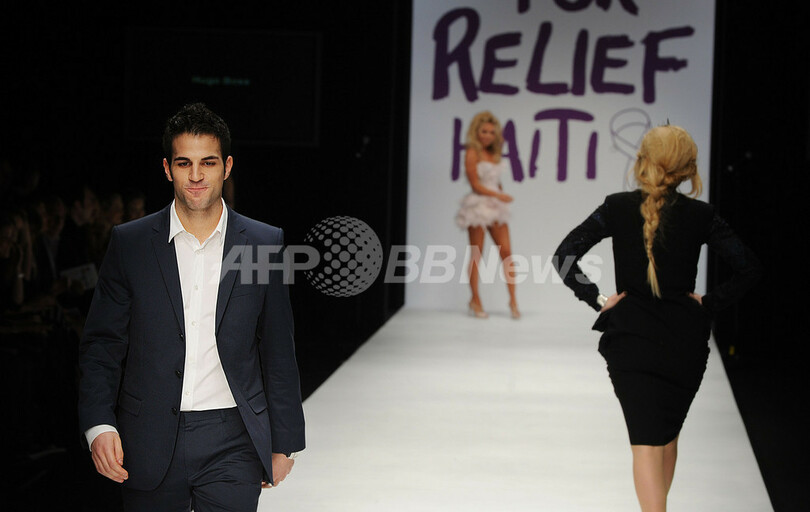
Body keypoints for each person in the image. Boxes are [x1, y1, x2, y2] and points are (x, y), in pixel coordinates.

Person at [77, 103, 305, 511]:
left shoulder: (263, 243)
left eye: (208, 163)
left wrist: (285, 440)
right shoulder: (131, 244)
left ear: (227, 167)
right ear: (168, 169)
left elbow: (277, 346)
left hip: (233, 436)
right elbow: (102, 344)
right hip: (146, 435)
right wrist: (98, 423)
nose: (196, 175)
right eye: (184, 163)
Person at [553, 125, 760, 512]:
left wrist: (597, 299)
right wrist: (709, 302)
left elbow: (564, 255)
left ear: (642, 161)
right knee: (666, 436)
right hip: (684, 340)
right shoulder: (701, 215)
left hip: (631, 337)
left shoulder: (617, 207)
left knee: (648, 442)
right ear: (688, 168)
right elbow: (748, 267)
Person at [455, 111, 519, 319]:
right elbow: (475, 184)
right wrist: (499, 195)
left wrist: (499, 195)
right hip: (478, 205)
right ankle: (475, 299)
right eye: (484, 131)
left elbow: (495, 181)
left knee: (507, 252)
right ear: (476, 131)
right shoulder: (472, 152)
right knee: (477, 254)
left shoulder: (495, 154)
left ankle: (513, 300)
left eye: (492, 132)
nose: (488, 136)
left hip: (495, 205)